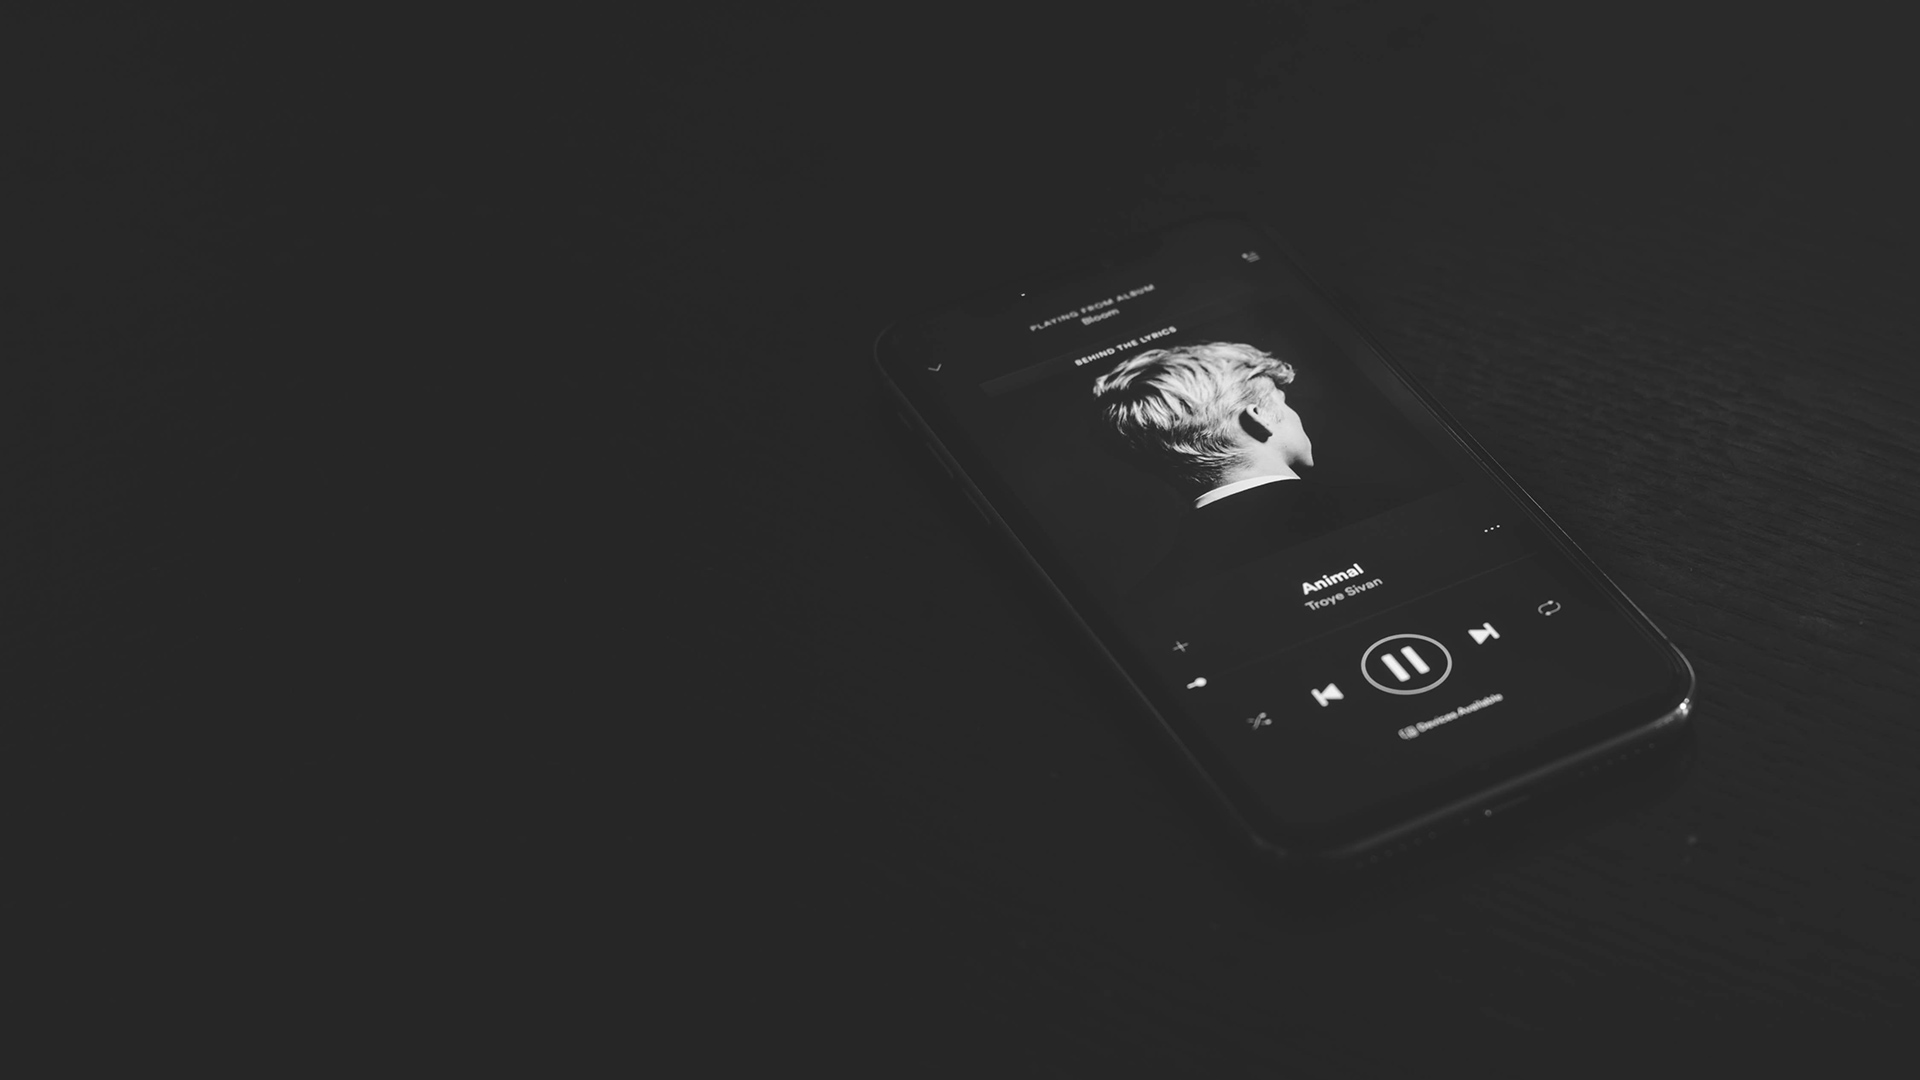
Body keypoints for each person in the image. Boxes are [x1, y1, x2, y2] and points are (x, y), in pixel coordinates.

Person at [1091, 341, 1402, 594]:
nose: (1295, 414)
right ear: (1259, 418)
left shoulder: (1156, 592)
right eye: (1283, 402)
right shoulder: (1388, 509)